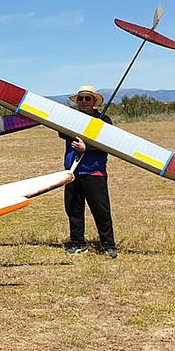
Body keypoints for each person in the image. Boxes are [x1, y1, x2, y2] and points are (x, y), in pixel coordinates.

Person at [61, 85, 117, 259]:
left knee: (101, 210)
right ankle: (77, 243)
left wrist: (88, 147)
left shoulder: (104, 120)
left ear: (94, 102)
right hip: (72, 171)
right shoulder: (71, 119)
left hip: (94, 171)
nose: (83, 102)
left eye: (87, 98)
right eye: (80, 99)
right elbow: (61, 132)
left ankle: (108, 245)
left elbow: (109, 141)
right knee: (74, 209)